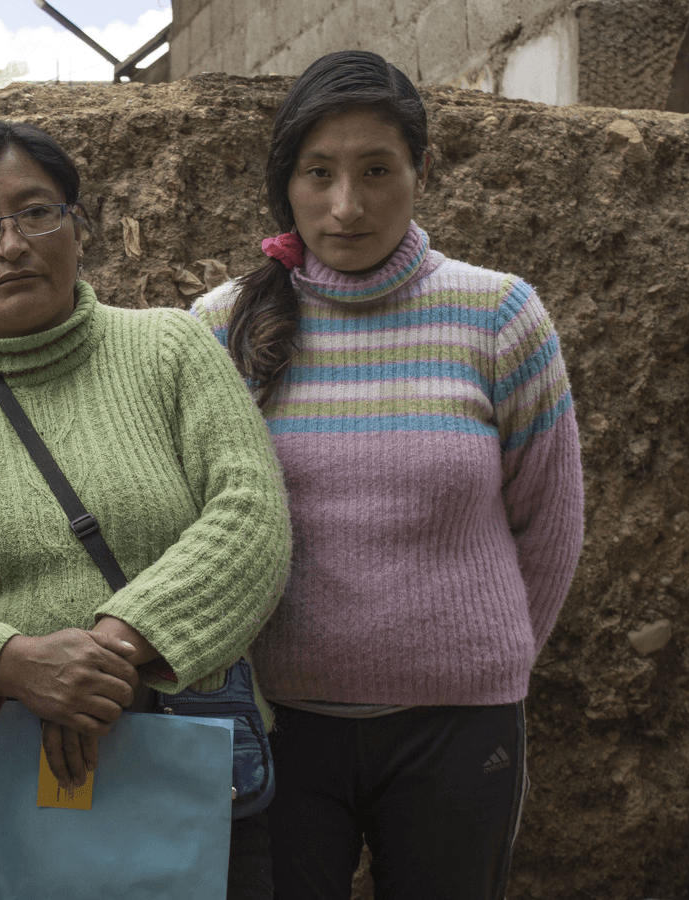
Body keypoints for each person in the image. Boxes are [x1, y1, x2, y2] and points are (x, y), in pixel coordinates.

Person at [0, 119, 291, 899]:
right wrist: (15, 665)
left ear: (80, 230)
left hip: (185, 779)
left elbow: (252, 517)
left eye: (36, 212)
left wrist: (110, 651)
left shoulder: (171, 351)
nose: (10, 245)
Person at [190, 50, 585, 900]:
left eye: (377, 170)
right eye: (318, 173)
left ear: (421, 172)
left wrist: (487, 664)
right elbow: (191, 525)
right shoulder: (224, 328)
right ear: (284, 182)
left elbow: (549, 522)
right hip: (275, 726)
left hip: (458, 731)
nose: (347, 205)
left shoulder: (499, 316)